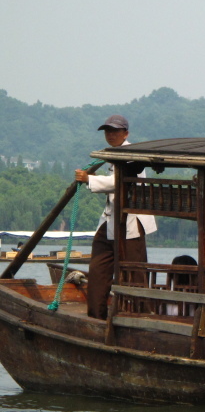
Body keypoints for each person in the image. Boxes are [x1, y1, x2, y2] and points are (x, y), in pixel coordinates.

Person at [75, 115, 158, 319]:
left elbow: (119, 181)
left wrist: (89, 179)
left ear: (126, 133)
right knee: (98, 270)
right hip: (110, 219)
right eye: (107, 131)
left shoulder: (132, 155)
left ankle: (140, 316)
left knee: (134, 272)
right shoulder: (113, 154)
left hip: (131, 222)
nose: (110, 135)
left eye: (115, 131)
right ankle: (96, 316)